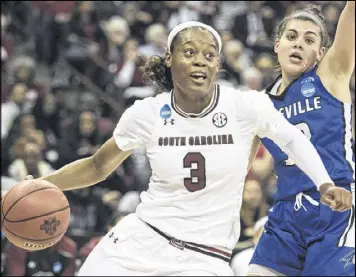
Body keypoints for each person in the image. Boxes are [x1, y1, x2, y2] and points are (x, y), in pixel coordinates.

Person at [5, 21, 351, 276]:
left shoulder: (246, 106)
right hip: (140, 239)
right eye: (189, 52)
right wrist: (45, 184)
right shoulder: (146, 113)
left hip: (203, 258)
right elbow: (97, 166)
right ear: (170, 59)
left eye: (209, 55)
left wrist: (323, 183)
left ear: (217, 65)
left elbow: (292, 139)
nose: (200, 60)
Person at [248, 3, 355, 276]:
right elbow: (241, 166)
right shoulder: (260, 104)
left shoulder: (330, 75)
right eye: (291, 37)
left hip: (336, 205)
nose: (298, 44)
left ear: (321, 53)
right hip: (286, 212)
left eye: (309, 40)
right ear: (277, 45)